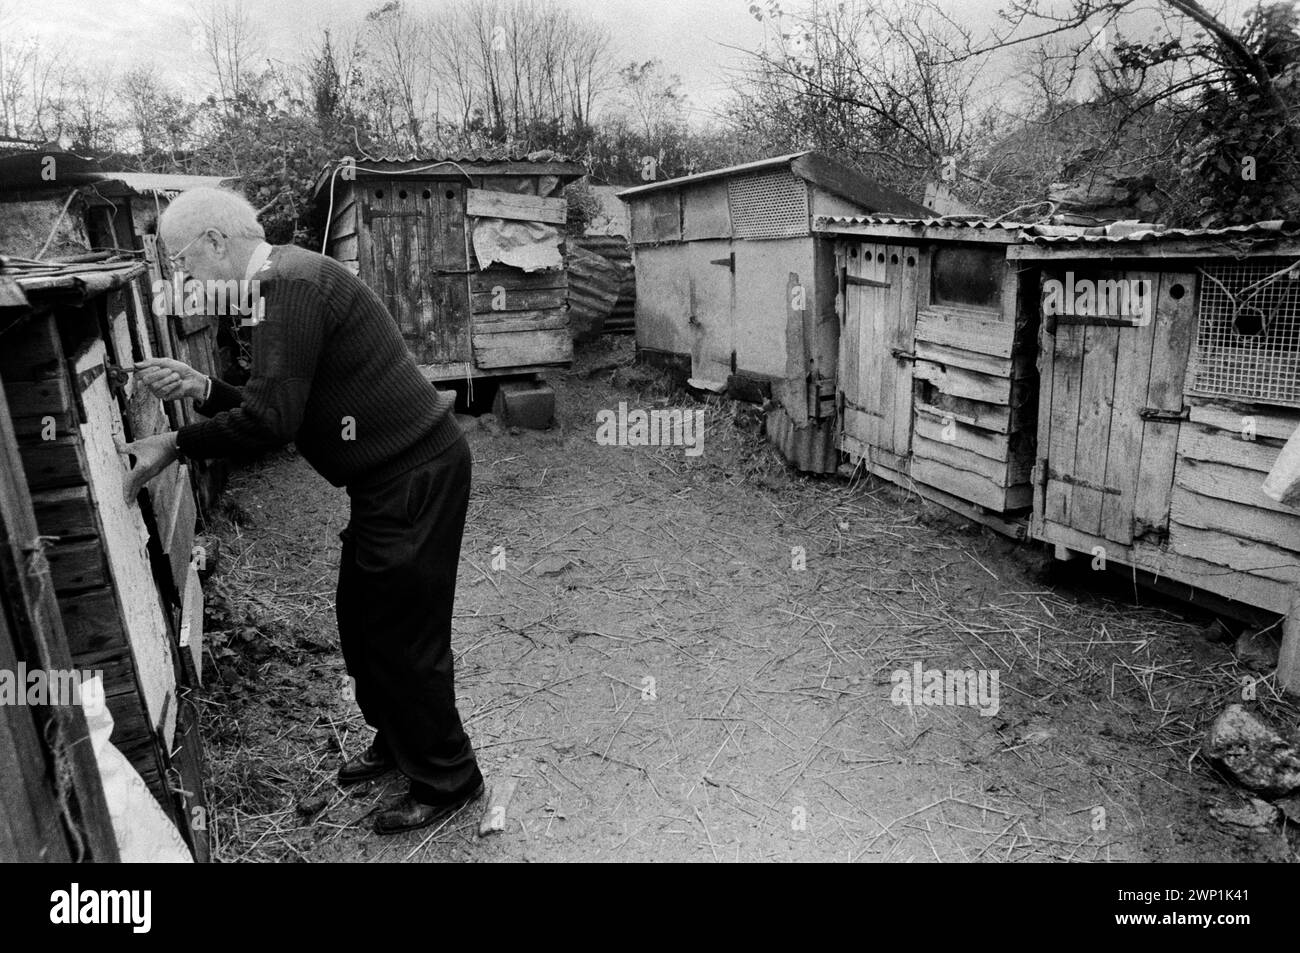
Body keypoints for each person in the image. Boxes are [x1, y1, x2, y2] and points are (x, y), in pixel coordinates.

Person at [122, 187, 484, 835]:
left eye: (180, 259)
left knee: (405, 634)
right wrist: (205, 388)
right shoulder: (283, 280)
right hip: (391, 476)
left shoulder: (285, 290)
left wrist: (174, 443)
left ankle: (448, 775)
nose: (183, 277)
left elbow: (270, 420)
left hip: (415, 472)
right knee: (362, 617)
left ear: (214, 240)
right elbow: (286, 406)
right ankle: (400, 741)